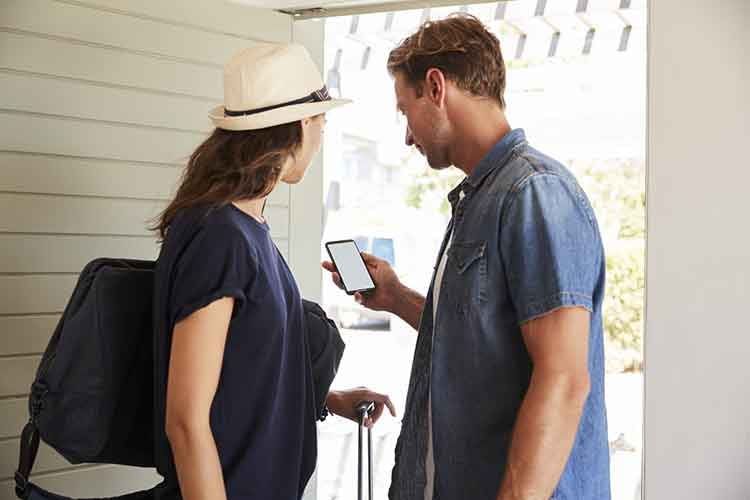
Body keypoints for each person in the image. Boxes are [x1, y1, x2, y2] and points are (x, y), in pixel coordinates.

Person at [323, 15, 610, 500]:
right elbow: (483, 338)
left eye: (404, 110)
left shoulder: (534, 193)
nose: (408, 136)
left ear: (435, 87)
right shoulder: (480, 198)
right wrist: (395, 298)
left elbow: (563, 380)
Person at [152, 43, 396, 500]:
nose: (321, 136)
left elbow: (243, 367)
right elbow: (185, 421)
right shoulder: (220, 236)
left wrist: (324, 398)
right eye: (322, 122)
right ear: (303, 124)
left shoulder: (247, 228)